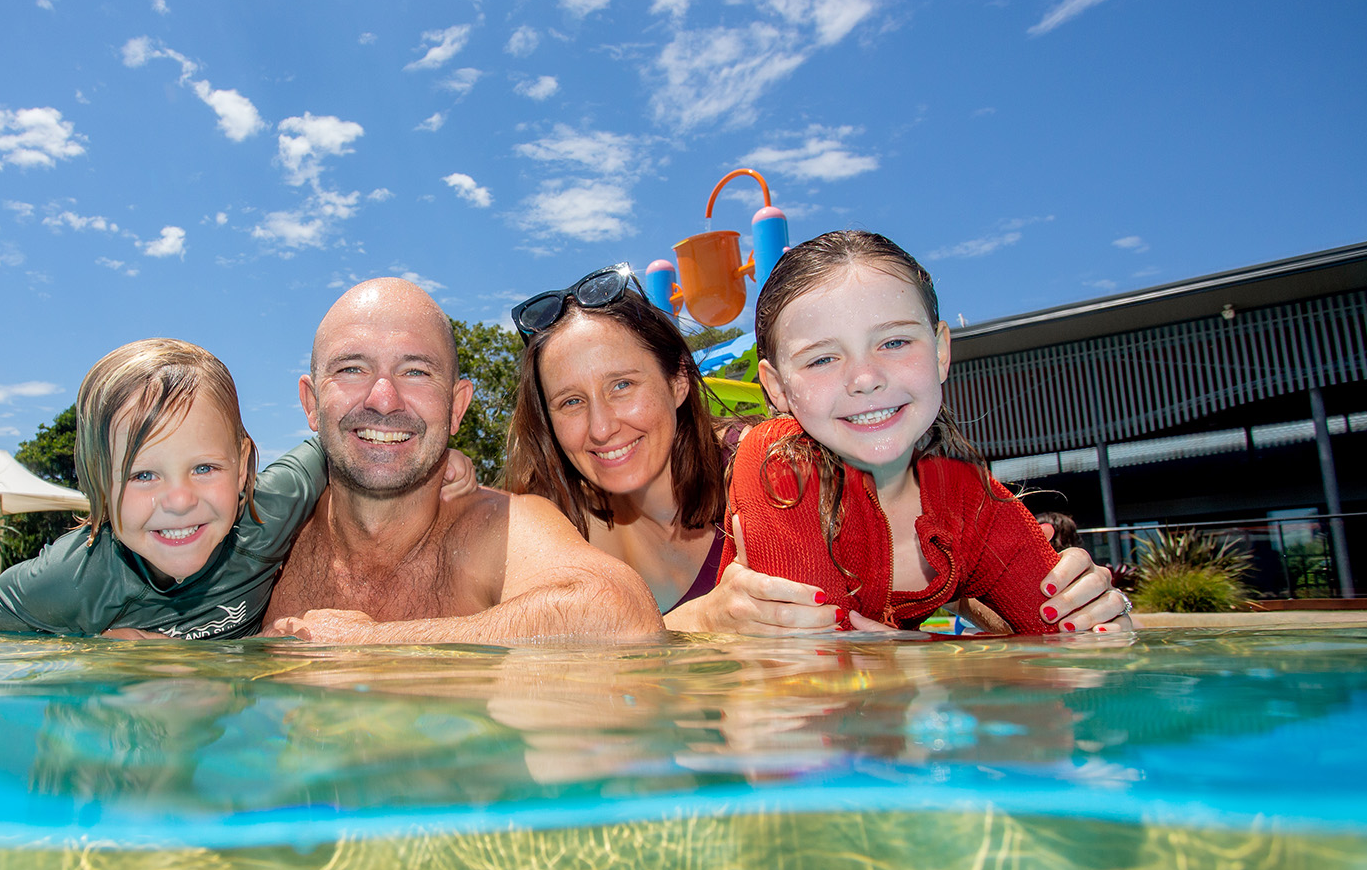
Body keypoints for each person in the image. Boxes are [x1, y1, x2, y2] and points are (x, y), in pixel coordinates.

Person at [503, 265, 1129, 635]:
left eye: (622, 385)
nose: (603, 425)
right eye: (570, 402)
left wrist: (1064, 609)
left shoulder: (781, 467)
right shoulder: (549, 522)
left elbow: (947, 568)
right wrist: (699, 624)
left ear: (677, 382)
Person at [725, 229, 1133, 635]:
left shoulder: (967, 499)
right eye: (822, 359)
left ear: (940, 353)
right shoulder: (778, 460)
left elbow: (1073, 635)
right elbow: (814, 667)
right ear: (778, 388)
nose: (865, 378)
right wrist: (923, 653)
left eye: (895, 342)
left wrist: (1102, 616)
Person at [0, 338, 474, 640]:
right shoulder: (80, 576)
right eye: (143, 475)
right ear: (97, 482)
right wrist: (99, 654)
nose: (179, 500)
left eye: (204, 469)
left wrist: (423, 457)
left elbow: (346, 445)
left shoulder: (270, 511)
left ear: (242, 468)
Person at [260, 278, 662, 643]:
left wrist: (367, 641)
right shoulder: (263, 541)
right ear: (311, 403)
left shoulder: (497, 531)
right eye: (352, 369)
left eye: (415, 372)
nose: (383, 399)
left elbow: (623, 616)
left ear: (457, 406)